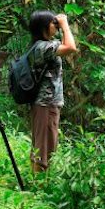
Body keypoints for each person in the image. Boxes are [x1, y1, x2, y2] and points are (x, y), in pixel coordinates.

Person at [27, 10, 77, 175]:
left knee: (45, 145)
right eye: (52, 23)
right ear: (43, 27)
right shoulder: (43, 47)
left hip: (46, 103)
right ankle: (38, 187)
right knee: (43, 149)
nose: (55, 26)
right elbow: (71, 47)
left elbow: (64, 45)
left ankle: (39, 182)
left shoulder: (43, 45)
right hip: (45, 103)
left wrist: (62, 28)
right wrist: (65, 26)